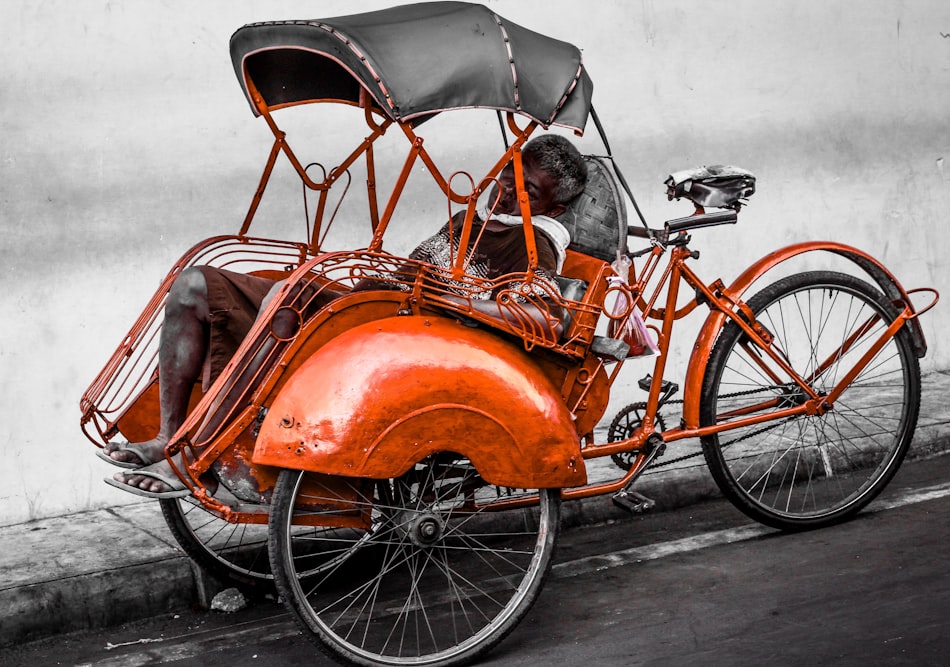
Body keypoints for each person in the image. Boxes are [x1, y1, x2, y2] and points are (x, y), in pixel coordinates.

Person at [104, 134, 588, 497]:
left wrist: (456, 302)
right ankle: (170, 436)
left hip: (394, 334)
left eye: (527, 189)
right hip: (364, 306)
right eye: (507, 174)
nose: (506, 190)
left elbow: (542, 316)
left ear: (555, 207)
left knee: (282, 309)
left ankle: (195, 456)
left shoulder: (535, 243)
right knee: (193, 286)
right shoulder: (479, 218)